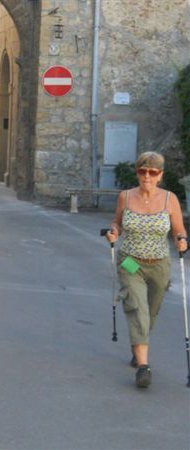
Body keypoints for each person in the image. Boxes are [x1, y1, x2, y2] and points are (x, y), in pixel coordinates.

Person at [105, 151, 187, 388]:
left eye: (152, 172)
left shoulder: (169, 199)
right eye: (142, 171)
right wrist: (113, 232)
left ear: (160, 175)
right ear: (137, 173)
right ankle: (143, 367)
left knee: (150, 312)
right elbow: (117, 223)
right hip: (130, 261)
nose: (147, 176)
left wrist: (182, 239)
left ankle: (137, 345)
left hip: (159, 264)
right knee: (137, 307)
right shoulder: (126, 197)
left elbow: (178, 229)